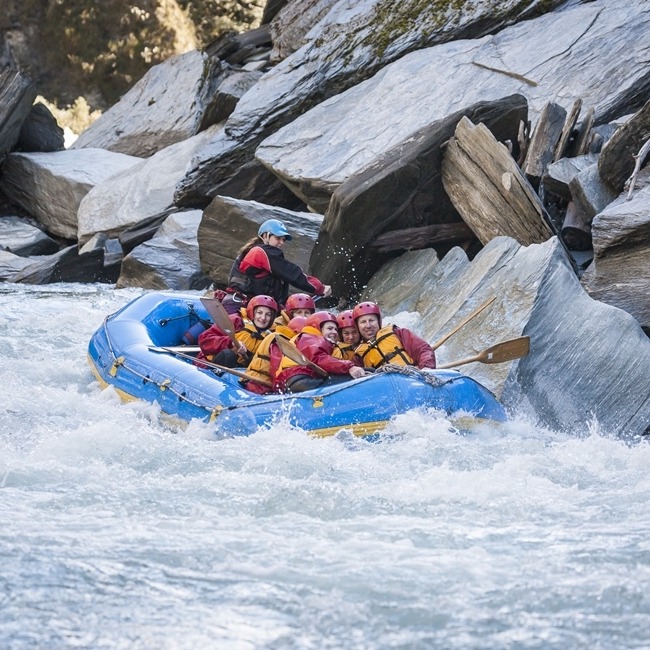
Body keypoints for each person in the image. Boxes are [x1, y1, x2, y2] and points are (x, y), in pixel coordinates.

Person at [223, 219, 332, 314]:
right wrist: (319, 287)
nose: (281, 243)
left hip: (244, 304)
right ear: (265, 236)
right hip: (240, 306)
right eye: (278, 238)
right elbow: (291, 273)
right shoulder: (262, 252)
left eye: (283, 239)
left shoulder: (254, 250)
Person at [274, 311, 366, 393]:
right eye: (330, 328)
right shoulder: (310, 337)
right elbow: (318, 358)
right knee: (354, 378)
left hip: (292, 381)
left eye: (335, 329)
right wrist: (349, 367)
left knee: (366, 371)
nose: (334, 332)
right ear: (317, 327)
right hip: (299, 380)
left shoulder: (305, 338)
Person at [196, 295, 278, 369]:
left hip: (239, 371)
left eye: (268, 314)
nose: (263, 318)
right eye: (259, 313)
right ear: (252, 312)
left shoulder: (272, 335)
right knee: (228, 355)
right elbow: (204, 340)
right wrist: (230, 342)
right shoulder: (236, 320)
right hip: (210, 365)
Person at [352, 301, 436, 370]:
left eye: (371, 320)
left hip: (411, 376)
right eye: (363, 322)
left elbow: (423, 349)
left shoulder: (397, 333)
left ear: (378, 321)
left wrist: (426, 367)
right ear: (357, 326)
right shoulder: (358, 356)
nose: (368, 326)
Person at [241, 316, 307, 395]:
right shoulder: (279, 341)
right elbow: (276, 370)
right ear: (296, 332)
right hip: (257, 385)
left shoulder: (283, 338)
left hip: (260, 384)